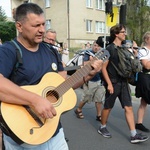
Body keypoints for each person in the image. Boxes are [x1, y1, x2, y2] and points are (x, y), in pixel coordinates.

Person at [0, 3, 103, 150]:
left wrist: (87, 74)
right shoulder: (8, 51)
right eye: (36, 25)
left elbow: (63, 85)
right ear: (19, 26)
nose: (42, 30)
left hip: (54, 132)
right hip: (24, 136)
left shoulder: (51, 51)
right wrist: (35, 100)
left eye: (43, 24)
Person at [98, 24, 149, 144]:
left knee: (128, 107)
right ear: (116, 34)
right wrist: (109, 84)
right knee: (108, 107)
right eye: (123, 32)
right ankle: (102, 127)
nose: (125, 34)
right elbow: (103, 68)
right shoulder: (109, 49)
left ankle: (133, 134)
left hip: (124, 82)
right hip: (113, 83)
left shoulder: (124, 48)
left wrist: (135, 52)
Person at [74, 41, 105, 121]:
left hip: (99, 80)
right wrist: (92, 61)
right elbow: (84, 64)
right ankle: (79, 109)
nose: (96, 47)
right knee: (86, 97)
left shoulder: (101, 54)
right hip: (90, 80)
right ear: (92, 46)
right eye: (95, 45)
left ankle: (98, 115)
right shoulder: (88, 53)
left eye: (98, 46)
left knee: (99, 99)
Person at [135, 31, 150, 132]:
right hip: (145, 77)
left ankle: (139, 123)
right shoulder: (143, 51)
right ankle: (139, 123)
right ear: (146, 40)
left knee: (144, 102)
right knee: (145, 100)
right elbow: (147, 66)